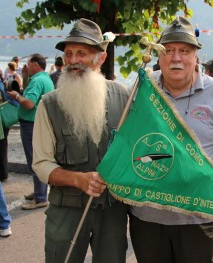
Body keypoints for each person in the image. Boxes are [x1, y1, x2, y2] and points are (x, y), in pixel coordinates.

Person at [129, 16, 213, 263]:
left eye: (184, 51)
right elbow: (126, 143)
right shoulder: (142, 90)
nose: (176, 57)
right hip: (147, 215)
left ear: (195, 57)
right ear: (159, 57)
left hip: (199, 215)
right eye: (169, 50)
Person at [32, 18, 130, 262]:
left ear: (100, 58)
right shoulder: (49, 104)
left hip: (112, 211)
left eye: (82, 53)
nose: (73, 60)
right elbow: (41, 164)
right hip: (66, 210)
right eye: (69, 53)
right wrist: (77, 179)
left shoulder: (125, 98)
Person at [7, 53, 54, 210]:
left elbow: (28, 103)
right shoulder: (45, 78)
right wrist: (26, 77)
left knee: (34, 161)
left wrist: (16, 96)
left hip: (31, 125)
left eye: (28, 64)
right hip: (40, 123)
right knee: (38, 159)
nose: (25, 66)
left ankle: (40, 197)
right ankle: (38, 192)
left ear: (35, 64)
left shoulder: (37, 81)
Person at [0, 78, 19, 182]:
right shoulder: (2, 84)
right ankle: (3, 172)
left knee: (2, 145)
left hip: (1, 120)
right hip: (3, 120)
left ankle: (3, 173)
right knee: (3, 145)